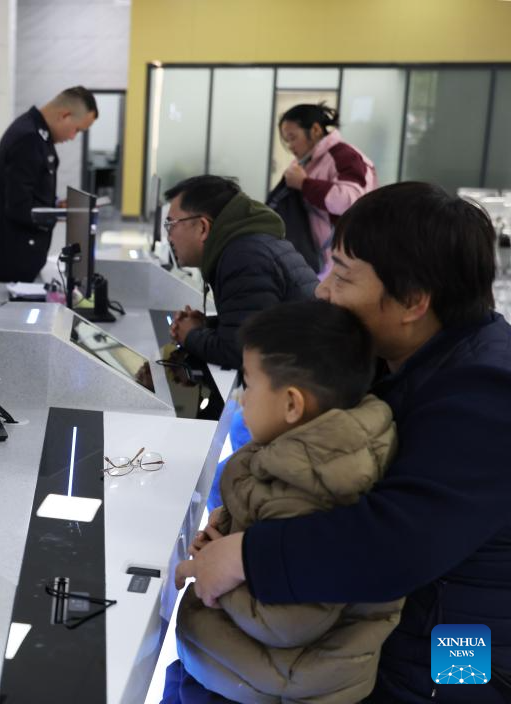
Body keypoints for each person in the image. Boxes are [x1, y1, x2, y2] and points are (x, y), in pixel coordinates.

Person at [175, 182, 511, 702]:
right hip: (376, 627)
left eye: (343, 275)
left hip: (457, 661)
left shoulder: (485, 394)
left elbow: (398, 542)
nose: (322, 290)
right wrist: (236, 524)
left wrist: (247, 556)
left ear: (413, 301)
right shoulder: (402, 358)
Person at [167, 300, 402, 703]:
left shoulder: (315, 485)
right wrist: (226, 535)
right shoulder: (312, 451)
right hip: (246, 669)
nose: (241, 399)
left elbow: (287, 622)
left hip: (265, 685)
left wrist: (211, 570)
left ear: (292, 404)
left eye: (249, 384)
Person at [165, 175, 318, 369]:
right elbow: (258, 321)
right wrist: (208, 326)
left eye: (171, 225)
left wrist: (190, 335)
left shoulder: (243, 258)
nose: (168, 237)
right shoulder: (245, 246)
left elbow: (241, 352)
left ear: (203, 227)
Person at [0, 86, 98, 283]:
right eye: (77, 130)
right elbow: (19, 206)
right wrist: (59, 214)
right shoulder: (28, 138)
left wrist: (56, 205)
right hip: (12, 263)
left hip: (21, 259)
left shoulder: (37, 135)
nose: (73, 137)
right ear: (65, 115)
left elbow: (30, 192)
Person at [278, 103, 377, 275]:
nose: (291, 146)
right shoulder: (306, 160)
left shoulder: (344, 156)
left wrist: (304, 184)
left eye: (293, 138)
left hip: (346, 259)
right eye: (287, 141)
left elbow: (352, 201)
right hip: (318, 258)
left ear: (315, 130)